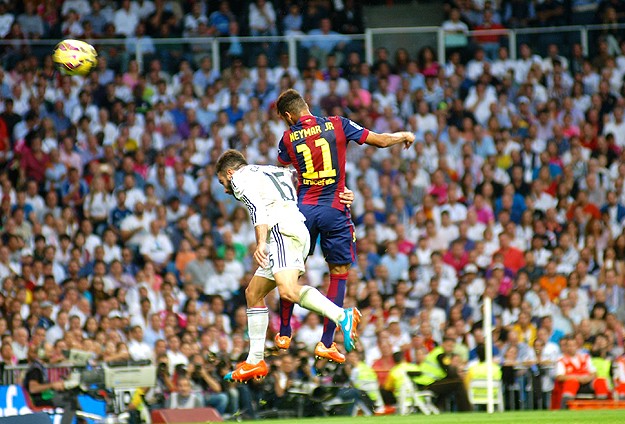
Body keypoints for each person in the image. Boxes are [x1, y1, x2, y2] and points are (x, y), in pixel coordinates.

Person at [274, 88, 415, 363]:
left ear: (289, 115)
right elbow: (382, 141)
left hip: (304, 211)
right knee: (338, 273)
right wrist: (404, 136)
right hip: (336, 208)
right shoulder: (338, 123)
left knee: (290, 271)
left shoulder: (288, 137)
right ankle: (326, 342)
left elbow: (284, 167)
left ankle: (284, 330)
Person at [215, 150, 361, 383]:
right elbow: (310, 181)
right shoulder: (272, 170)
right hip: (292, 230)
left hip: (281, 232)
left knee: (288, 291)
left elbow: (257, 209)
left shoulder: (240, 178)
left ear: (230, 172)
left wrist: (261, 242)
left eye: (223, 181)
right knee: (253, 293)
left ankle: (342, 315)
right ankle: (255, 361)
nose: (225, 188)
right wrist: (341, 193)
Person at [23, 345, 80, 424]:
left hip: (45, 395)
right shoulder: (35, 369)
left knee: (71, 395)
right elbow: (33, 389)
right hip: (40, 399)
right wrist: (52, 385)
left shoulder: (40, 367)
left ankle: (82, 421)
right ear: (41, 353)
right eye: (49, 352)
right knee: (70, 403)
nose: (52, 354)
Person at [555, 336, 609, 409]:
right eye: (569, 346)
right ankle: (566, 408)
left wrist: (587, 378)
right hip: (572, 383)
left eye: (573, 345)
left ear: (577, 346)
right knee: (571, 382)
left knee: (600, 381)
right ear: (566, 347)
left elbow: (594, 372)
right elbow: (559, 376)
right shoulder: (561, 360)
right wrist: (578, 378)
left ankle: (602, 406)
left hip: (587, 382)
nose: (571, 348)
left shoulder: (585, 357)